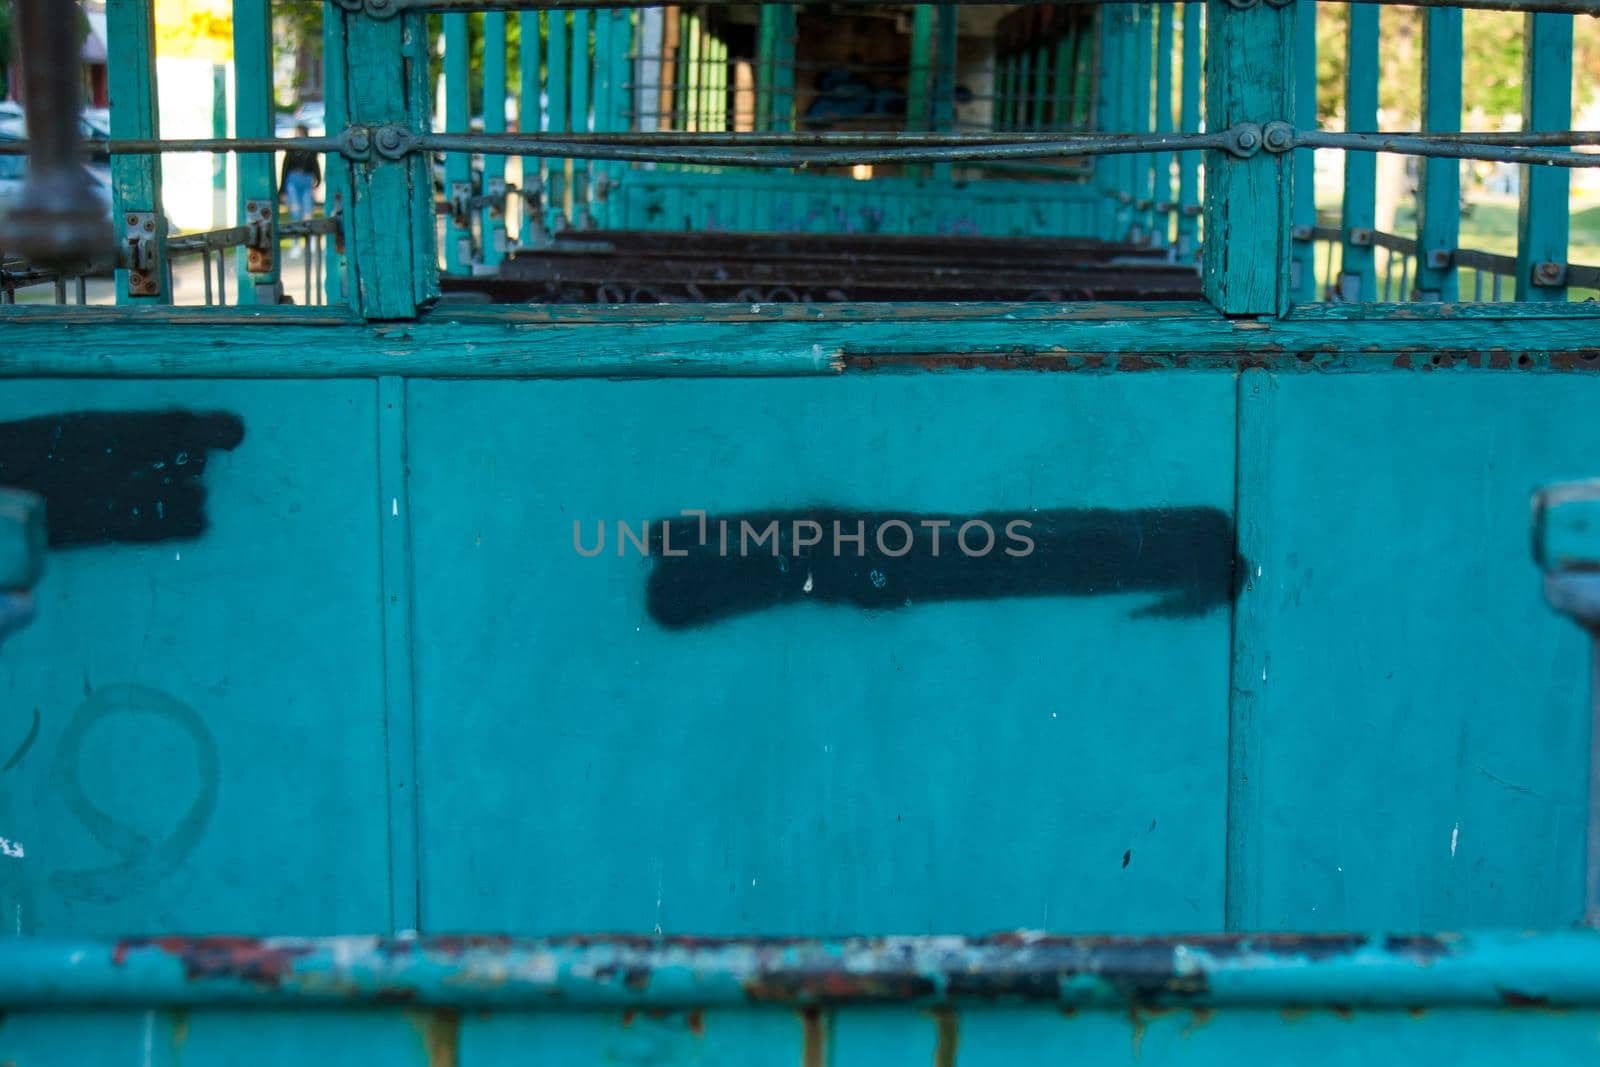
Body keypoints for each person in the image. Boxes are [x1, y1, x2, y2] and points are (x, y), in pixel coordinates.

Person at [279, 124, 321, 222]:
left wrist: (318, 181)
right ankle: (296, 235)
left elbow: (315, 165)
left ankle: (308, 234)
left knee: (307, 208)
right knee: (295, 209)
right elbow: (285, 168)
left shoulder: (311, 149)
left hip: (306, 179)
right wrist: (282, 190)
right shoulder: (291, 149)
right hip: (294, 178)